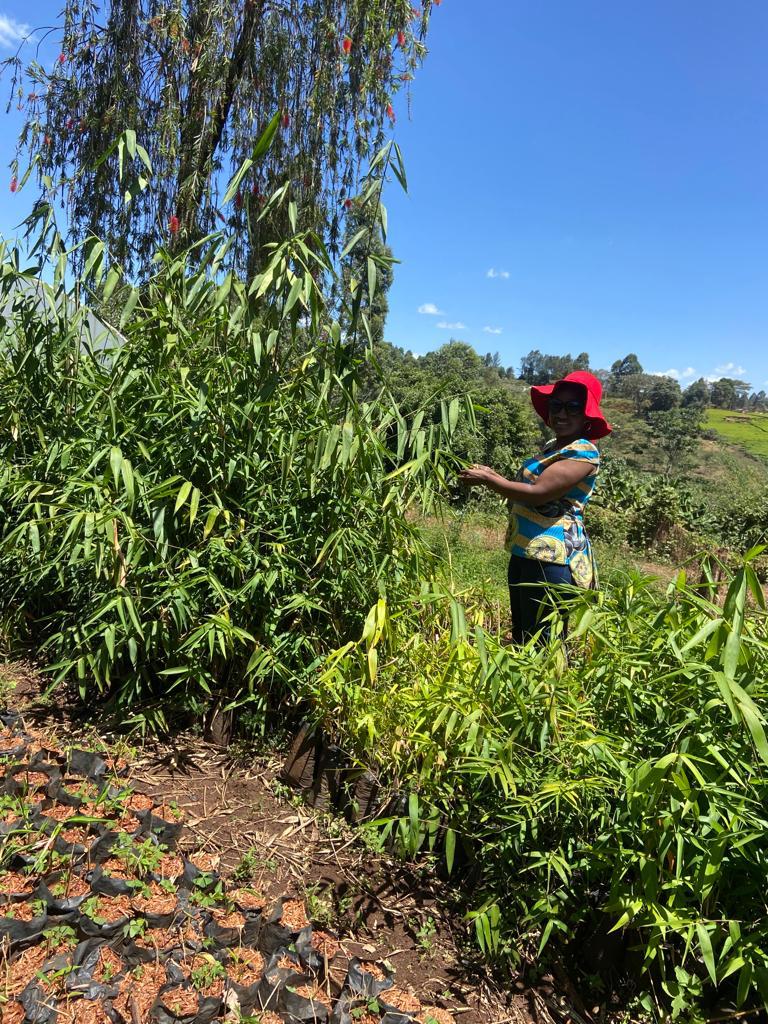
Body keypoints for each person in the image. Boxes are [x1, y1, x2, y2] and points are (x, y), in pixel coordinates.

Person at [459, 371, 611, 643]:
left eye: (573, 407)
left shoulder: (584, 452)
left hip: (551, 559)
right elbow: (526, 485)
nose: (562, 413)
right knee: (522, 636)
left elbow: (539, 493)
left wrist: (489, 480)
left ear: (587, 414)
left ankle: (549, 687)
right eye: (556, 405)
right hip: (526, 551)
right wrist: (491, 474)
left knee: (542, 644)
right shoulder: (553, 446)